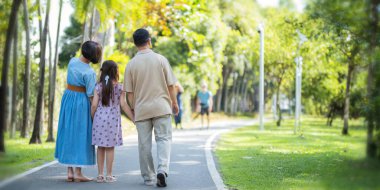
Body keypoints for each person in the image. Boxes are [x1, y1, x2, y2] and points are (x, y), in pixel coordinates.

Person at [123, 28, 179, 187]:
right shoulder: (161, 59)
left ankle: (149, 177)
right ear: (149, 41)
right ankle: (162, 170)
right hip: (162, 107)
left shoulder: (131, 64)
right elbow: (170, 85)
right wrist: (174, 103)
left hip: (142, 109)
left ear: (135, 44)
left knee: (144, 145)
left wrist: (134, 109)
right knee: (164, 139)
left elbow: (130, 94)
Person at [55, 41, 102, 182]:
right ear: (94, 56)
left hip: (68, 98)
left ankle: (69, 171)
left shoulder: (72, 61)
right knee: (81, 134)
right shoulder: (89, 72)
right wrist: (95, 113)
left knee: (69, 131)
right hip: (81, 102)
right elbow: (91, 95)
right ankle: (78, 173)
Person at [91, 60, 134, 183]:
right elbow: (123, 104)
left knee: (100, 147)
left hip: (99, 119)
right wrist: (133, 118)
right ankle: (109, 175)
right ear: (116, 72)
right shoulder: (120, 87)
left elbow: (94, 105)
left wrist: (92, 117)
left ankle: (100, 175)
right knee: (110, 148)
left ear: (103, 72)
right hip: (113, 120)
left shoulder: (98, 86)